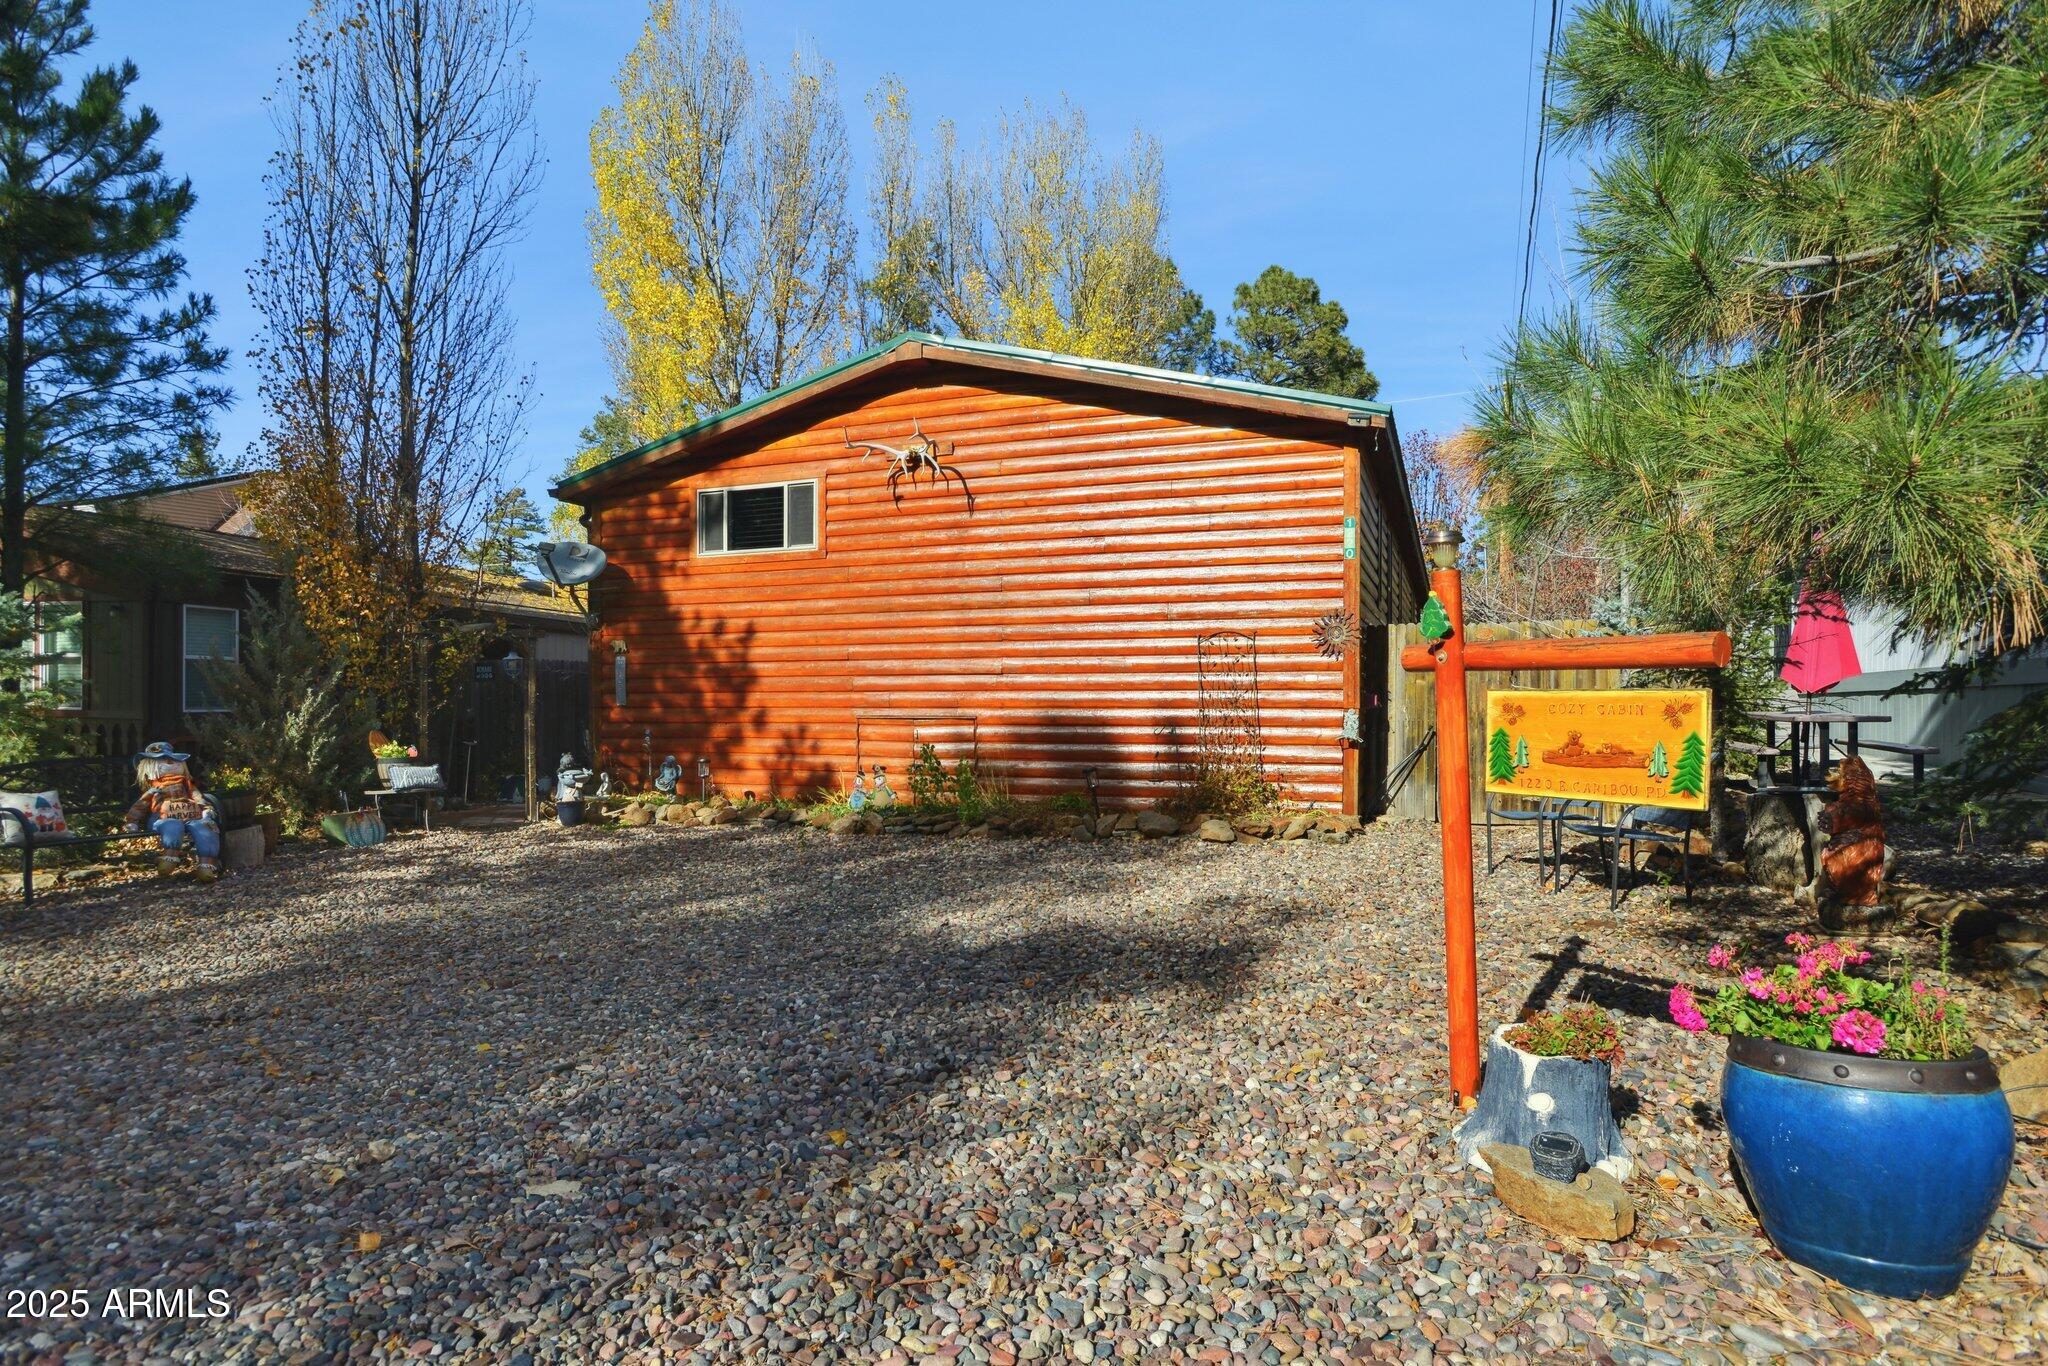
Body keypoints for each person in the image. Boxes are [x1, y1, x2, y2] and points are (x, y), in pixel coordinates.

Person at [123, 742, 220, 881]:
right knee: (173, 825)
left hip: (192, 816)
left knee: (205, 826)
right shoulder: (155, 789)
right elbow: (141, 804)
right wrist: (132, 821)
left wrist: (206, 809)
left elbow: (197, 797)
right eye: (162, 760)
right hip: (162, 818)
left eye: (173, 760)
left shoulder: (186, 785)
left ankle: (206, 866)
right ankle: (169, 858)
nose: (169, 762)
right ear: (149, 766)